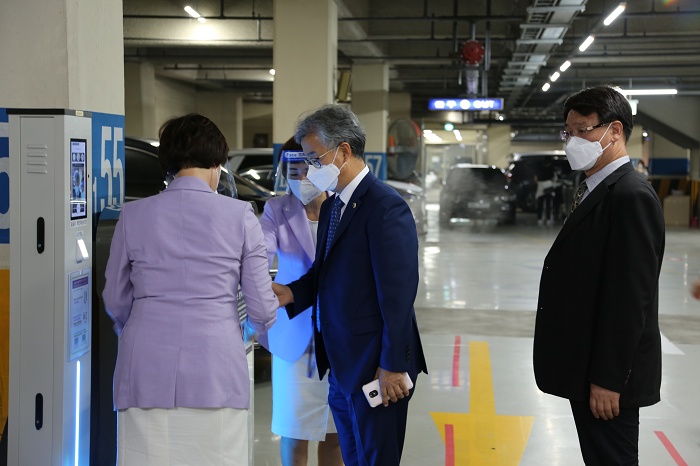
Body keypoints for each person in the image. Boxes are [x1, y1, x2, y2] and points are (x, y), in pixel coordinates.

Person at [102, 113, 278, 466]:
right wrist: (244, 331)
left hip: (145, 366)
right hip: (216, 365)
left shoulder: (132, 215)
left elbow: (115, 299)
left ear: (167, 163)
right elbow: (261, 306)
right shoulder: (241, 215)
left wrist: (137, 329)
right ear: (217, 165)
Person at [272, 104, 427, 466]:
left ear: (343, 151)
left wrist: (392, 365)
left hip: (375, 364)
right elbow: (325, 273)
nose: (310, 169)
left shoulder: (384, 207)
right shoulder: (334, 207)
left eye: (315, 158)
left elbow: (398, 295)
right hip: (342, 363)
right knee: (353, 455)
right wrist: (292, 293)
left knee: (375, 457)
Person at [533, 85, 665, 465]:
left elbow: (629, 300)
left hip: (607, 379)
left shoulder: (630, 196)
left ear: (615, 131)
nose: (573, 141)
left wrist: (608, 379)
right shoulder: (594, 189)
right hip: (586, 365)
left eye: (583, 130)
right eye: (568, 132)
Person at [257, 137, 342, 466]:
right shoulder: (276, 210)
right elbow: (259, 255)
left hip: (339, 336)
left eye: (309, 168)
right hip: (294, 338)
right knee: (294, 434)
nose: (302, 176)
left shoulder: (344, 207)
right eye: (294, 170)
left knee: (335, 434)